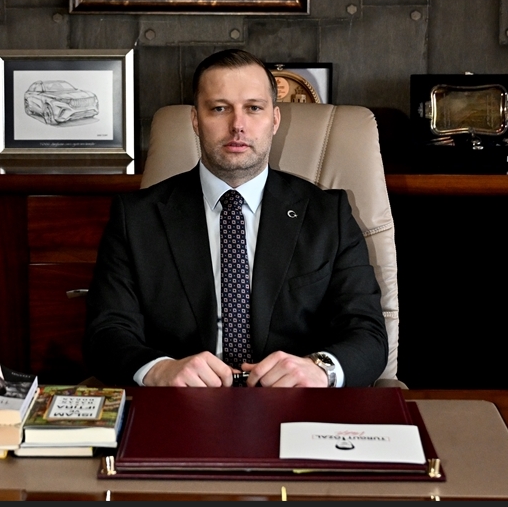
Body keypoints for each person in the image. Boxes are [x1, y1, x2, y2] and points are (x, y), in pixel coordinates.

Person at [83, 49, 387, 388]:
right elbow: (105, 333)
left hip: (293, 403)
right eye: (219, 108)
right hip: (182, 402)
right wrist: (158, 370)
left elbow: (368, 334)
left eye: (253, 108)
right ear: (195, 120)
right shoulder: (136, 218)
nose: (237, 125)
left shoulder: (328, 216)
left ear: (275, 120)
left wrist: (320, 370)